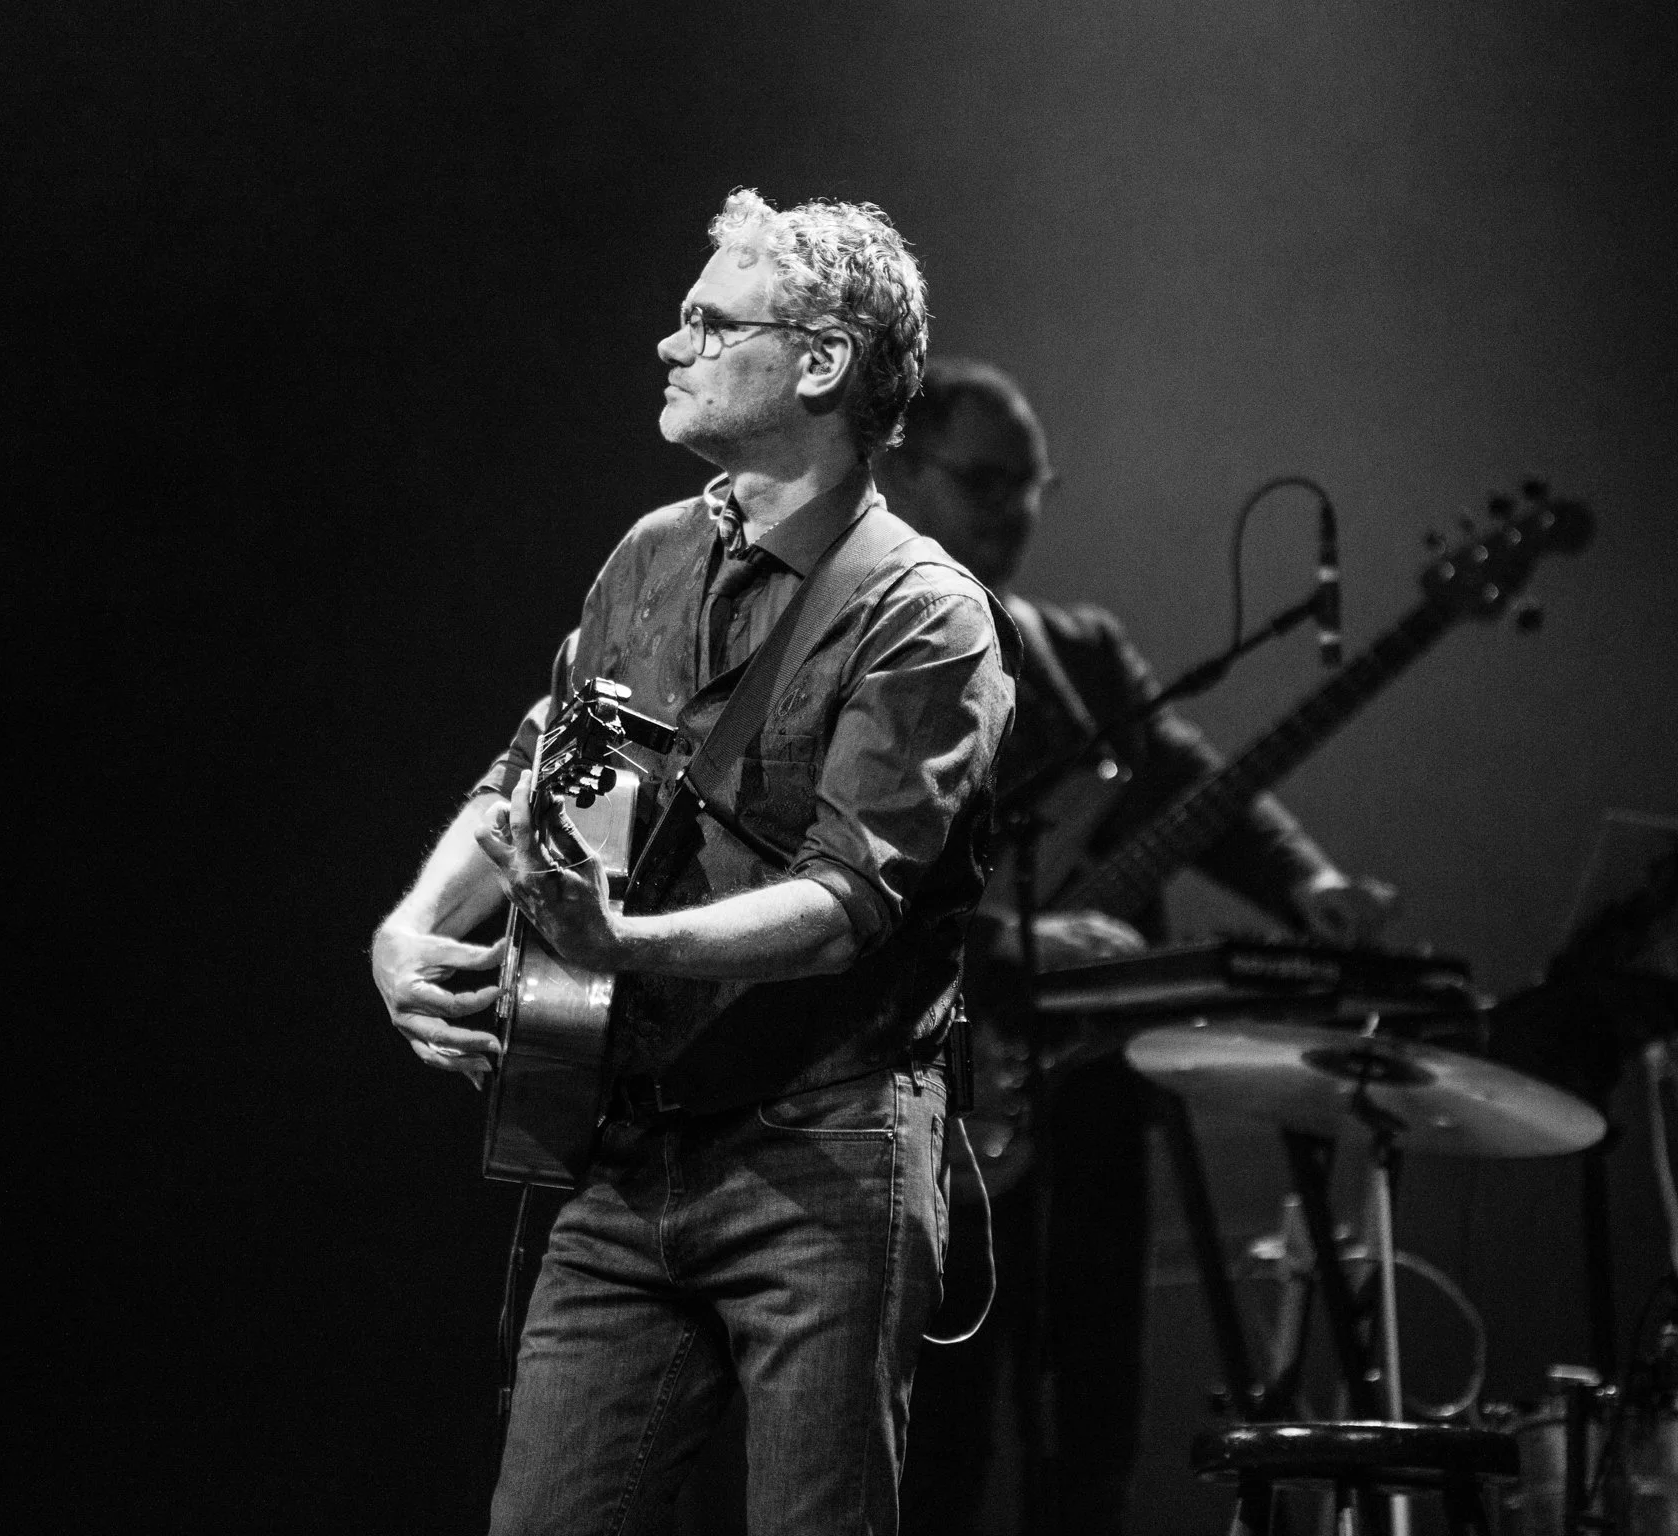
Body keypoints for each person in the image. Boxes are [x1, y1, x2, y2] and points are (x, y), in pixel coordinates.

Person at [370, 194, 1017, 1536]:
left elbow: (847, 900)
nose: (672, 346)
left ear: (822, 362)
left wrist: (624, 944)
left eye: (711, 323)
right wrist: (412, 925)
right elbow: (549, 761)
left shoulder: (923, 613)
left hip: (822, 1154)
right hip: (626, 1148)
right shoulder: (654, 556)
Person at [879, 358, 1395, 1535]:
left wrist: (1307, 881)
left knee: (1096, 1427)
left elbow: (1200, 787)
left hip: (1096, 1093)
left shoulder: (1083, 651)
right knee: (938, 1440)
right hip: (927, 1091)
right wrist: (1016, 938)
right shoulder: (854, 646)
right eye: (984, 481)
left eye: (1032, 485)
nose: (1014, 509)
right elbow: (838, 879)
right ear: (901, 470)